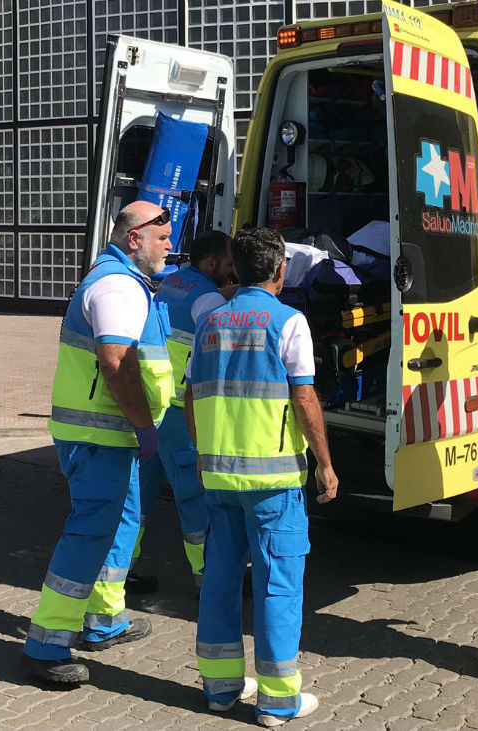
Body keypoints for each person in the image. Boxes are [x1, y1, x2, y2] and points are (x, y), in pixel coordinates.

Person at [187, 227, 338, 726]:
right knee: (278, 586)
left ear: (234, 269)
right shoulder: (289, 321)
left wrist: (203, 452)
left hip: (219, 476)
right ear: (280, 271)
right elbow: (304, 398)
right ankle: (276, 701)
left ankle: (219, 688)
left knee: (220, 579)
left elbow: (190, 395)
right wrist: (325, 463)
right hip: (273, 481)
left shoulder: (209, 322)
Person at [22, 201, 176, 685]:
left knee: (121, 523)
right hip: (100, 435)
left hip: (109, 434)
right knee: (90, 532)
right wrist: (145, 424)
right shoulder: (118, 286)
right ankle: (47, 643)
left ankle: (105, 620)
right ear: (135, 238)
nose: (169, 245)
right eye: (162, 237)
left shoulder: (121, 281)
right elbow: (115, 361)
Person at [129, 230, 236, 594]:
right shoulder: (209, 300)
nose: (232, 270)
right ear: (211, 263)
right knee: (193, 497)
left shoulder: (172, 282)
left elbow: (195, 304)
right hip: (180, 414)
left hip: (152, 408)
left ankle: (121, 572)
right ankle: (208, 580)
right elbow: (220, 347)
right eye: (228, 264)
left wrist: (230, 293)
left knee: (140, 494)